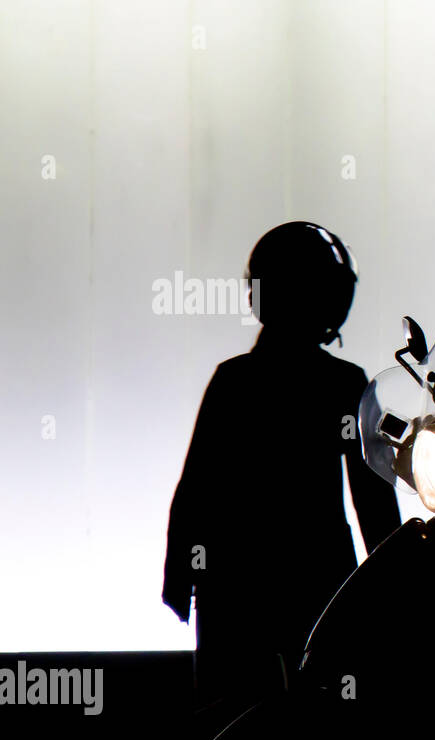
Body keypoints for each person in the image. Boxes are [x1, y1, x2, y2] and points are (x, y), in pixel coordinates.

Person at [163, 222, 401, 714]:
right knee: (332, 719)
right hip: (320, 572)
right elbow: (372, 495)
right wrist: (394, 578)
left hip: (233, 580)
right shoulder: (344, 382)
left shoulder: (233, 381)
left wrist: (181, 574)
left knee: (234, 721)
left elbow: (196, 486)